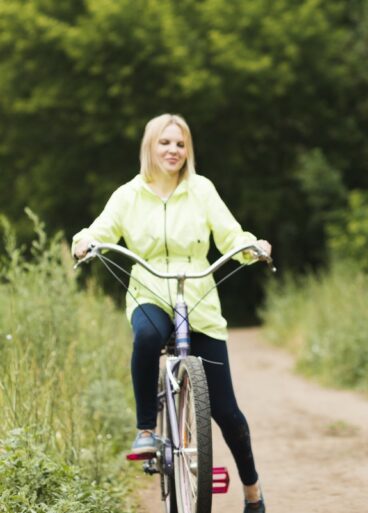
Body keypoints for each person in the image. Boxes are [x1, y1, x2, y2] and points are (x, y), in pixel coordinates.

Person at [73, 114, 268, 513]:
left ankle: (253, 490)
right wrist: (86, 242)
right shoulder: (129, 194)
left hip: (198, 295)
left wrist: (252, 247)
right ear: (150, 147)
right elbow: (99, 229)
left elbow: (231, 235)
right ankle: (146, 429)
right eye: (164, 143)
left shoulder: (202, 190)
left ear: (188, 150)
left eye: (180, 144)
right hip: (150, 291)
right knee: (146, 337)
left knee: (226, 411)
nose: (172, 151)